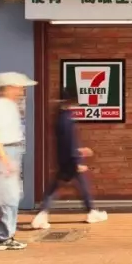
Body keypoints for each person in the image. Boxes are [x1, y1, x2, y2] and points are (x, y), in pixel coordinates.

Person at [31, 88, 107, 229]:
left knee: (56, 188)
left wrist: (79, 151)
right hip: (70, 160)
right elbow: (70, 142)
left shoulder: (60, 116)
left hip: (64, 159)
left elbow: (65, 143)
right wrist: (76, 161)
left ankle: (42, 214)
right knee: (81, 185)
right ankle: (91, 212)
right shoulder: (67, 119)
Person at [0, 72, 36, 251]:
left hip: (11, 151)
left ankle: (6, 236)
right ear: (8, 88)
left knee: (12, 196)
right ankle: (4, 238)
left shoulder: (11, 106)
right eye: (19, 87)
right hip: (1, 153)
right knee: (10, 197)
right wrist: (4, 158)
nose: (22, 90)